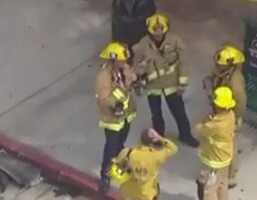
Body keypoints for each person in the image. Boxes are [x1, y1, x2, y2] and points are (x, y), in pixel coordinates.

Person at [132, 13, 199, 147]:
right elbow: (136, 63)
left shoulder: (175, 41)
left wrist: (182, 83)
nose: (158, 34)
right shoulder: (143, 44)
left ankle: (185, 135)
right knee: (156, 115)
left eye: (161, 30)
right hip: (152, 86)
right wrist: (137, 78)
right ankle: (158, 137)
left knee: (179, 112)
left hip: (171, 84)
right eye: (155, 31)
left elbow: (183, 62)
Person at [96, 42, 138, 192]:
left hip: (126, 116)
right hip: (113, 119)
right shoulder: (104, 75)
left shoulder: (124, 69)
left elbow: (130, 83)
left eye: (125, 60)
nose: (124, 62)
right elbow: (104, 97)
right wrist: (115, 104)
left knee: (120, 143)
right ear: (113, 60)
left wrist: (134, 79)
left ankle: (118, 164)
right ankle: (105, 174)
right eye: (121, 60)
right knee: (111, 147)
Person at [204, 45, 247, 188]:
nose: (217, 66)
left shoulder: (235, 82)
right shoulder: (222, 71)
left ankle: (232, 176)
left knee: (231, 145)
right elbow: (212, 79)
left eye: (220, 64)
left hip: (230, 116)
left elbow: (240, 104)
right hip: (220, 111)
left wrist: (232, 119)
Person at [108, 128, 178, 200]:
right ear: (153, 142)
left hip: (128, 191)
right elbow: (173, 149)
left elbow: (115, 163)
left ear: (140, 140)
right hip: (146, 194)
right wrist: (160, 138)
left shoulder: (128, 152)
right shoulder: (156, 156)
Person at [194, 86, 237, 200]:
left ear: (218, 105)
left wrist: (205, 119)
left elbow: (199, 129)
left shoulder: (215, 125)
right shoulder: (230, 115)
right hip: (225, 158)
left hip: (213, 161)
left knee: (209, 189)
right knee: (222, 184)